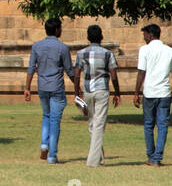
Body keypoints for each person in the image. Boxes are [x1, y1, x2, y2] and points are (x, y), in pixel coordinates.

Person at [23, 17, 81, 163]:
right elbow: (70, 71)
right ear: (56, 30)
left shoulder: (36, 46)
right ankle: (52, 155)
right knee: (55, 120)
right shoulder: (62, 48)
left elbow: (31, 68)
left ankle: (44, 144)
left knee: (46, 116)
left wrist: (27, 88)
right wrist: (77, 88)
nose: (61, 30)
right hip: (56, 87)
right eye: (60, 28)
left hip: (42, 86)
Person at [75, 25, 121, 166]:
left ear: (88, 38)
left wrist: (77, 93)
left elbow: (76, 74)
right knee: (98, 124)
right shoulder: (108, 54)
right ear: (101, 37)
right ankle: (93, 161)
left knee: (93, 124)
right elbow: (114, 75)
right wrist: (117, 92)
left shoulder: (81, 53)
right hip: (102, 90)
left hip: (87, 91)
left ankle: (98, 158)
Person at [134, 23, 172, 167]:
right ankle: (157, 157)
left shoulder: (144, 50)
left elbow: (141, 72)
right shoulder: (171, 51)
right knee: (162, 126)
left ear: (150, 35)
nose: (144, 38)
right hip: (164, 93)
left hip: (149, 92)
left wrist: (136, 92)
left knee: (148, 125)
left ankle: (150, 155)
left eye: (144, 35)